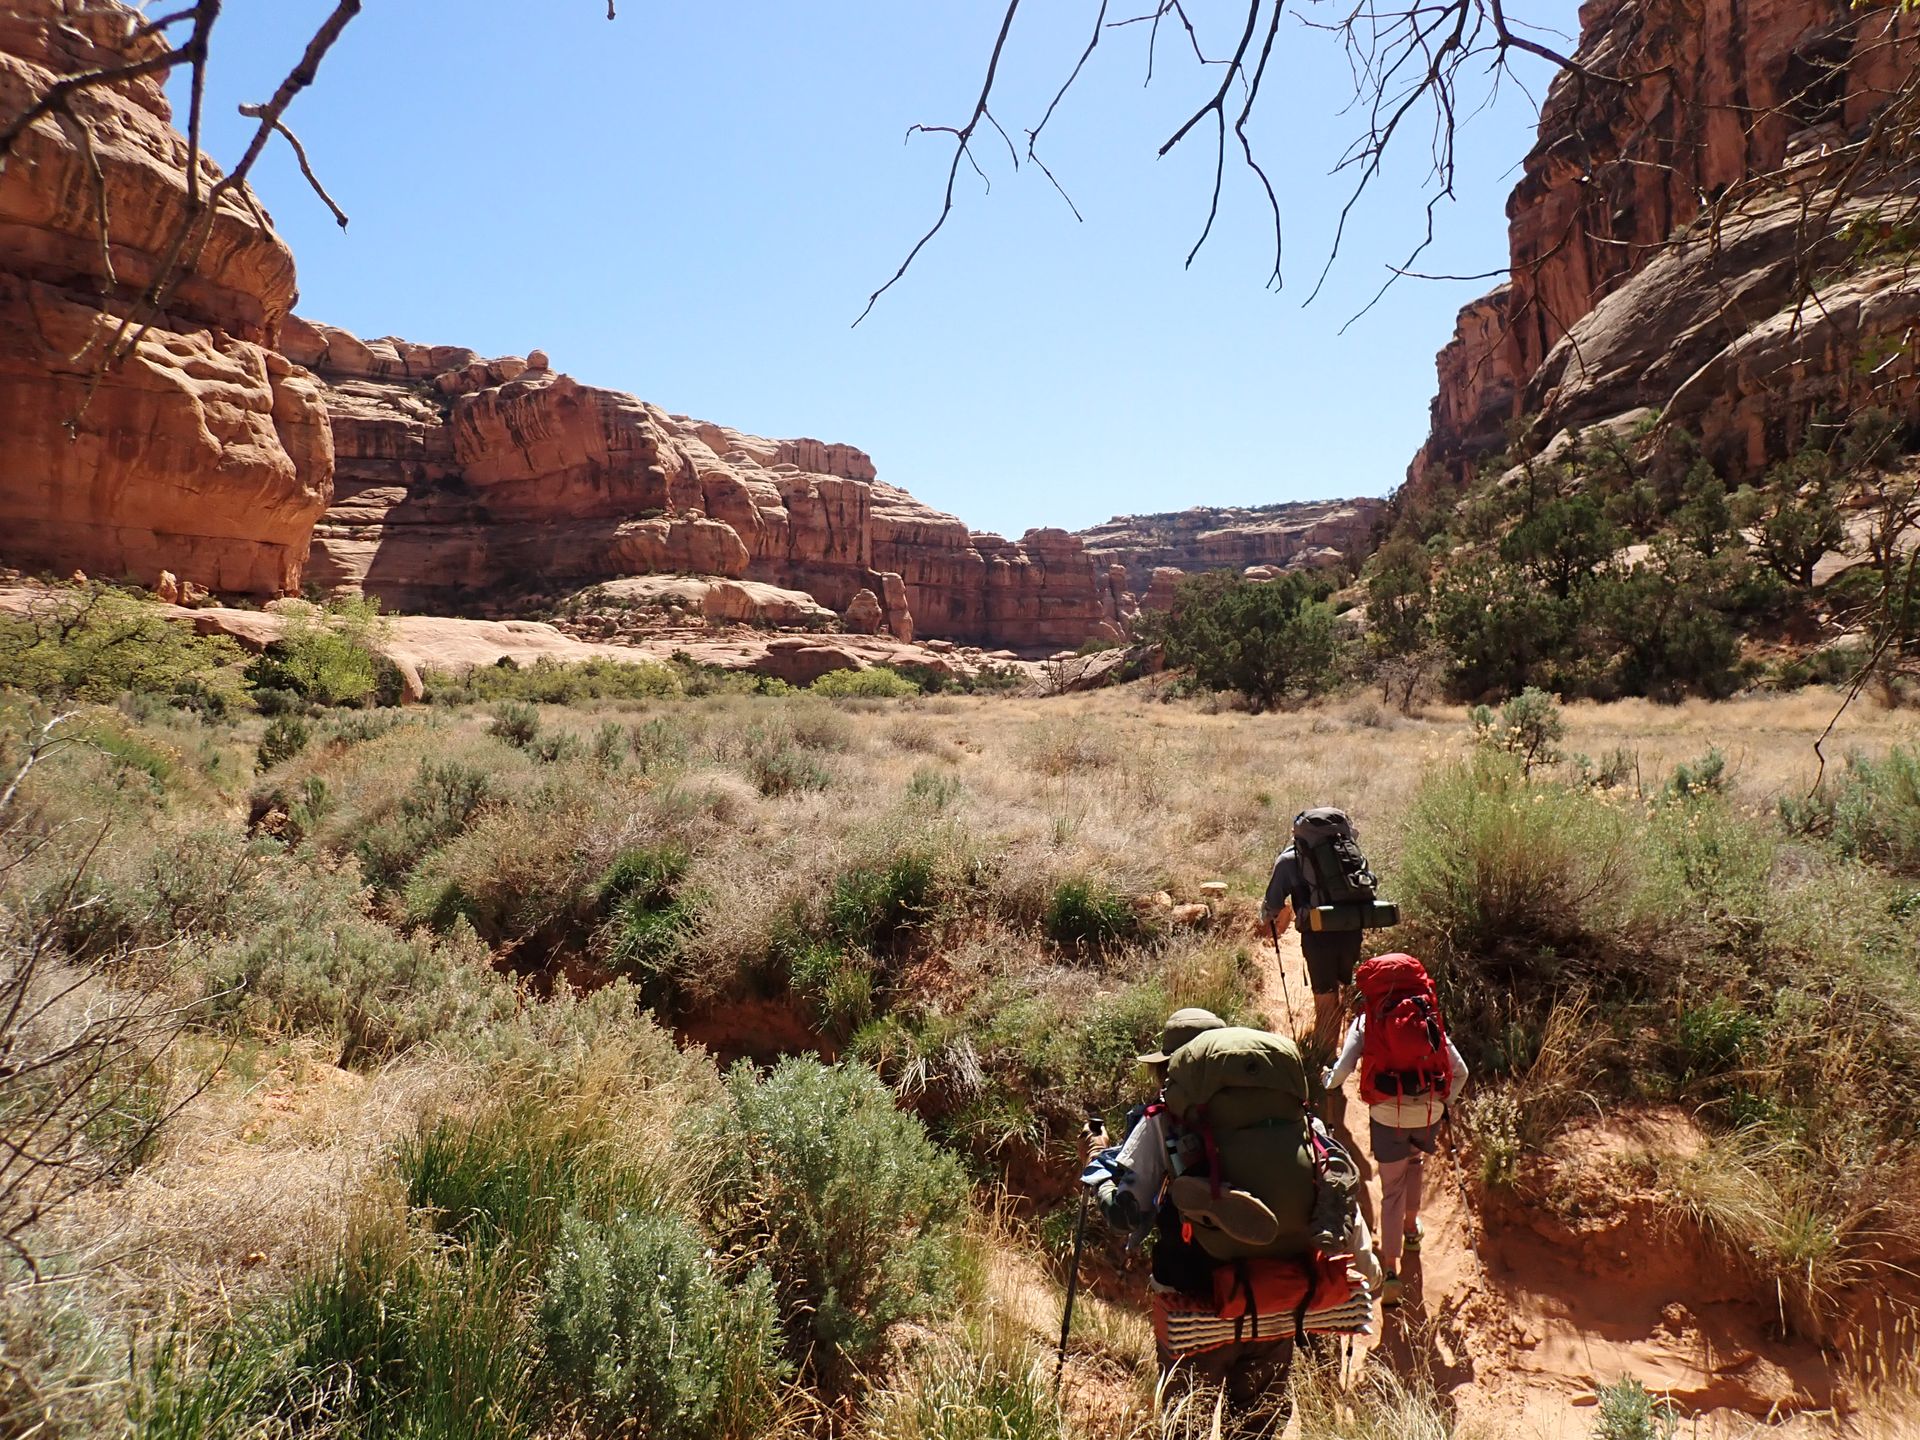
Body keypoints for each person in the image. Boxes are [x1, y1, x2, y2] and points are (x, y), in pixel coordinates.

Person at [1321, 957, 1468, 1309]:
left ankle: (1390, 1270)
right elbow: (1459, 1071)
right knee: (1415, 1164)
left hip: (1388, 1114)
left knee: (1391, 1191)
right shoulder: (1427, 1018)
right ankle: (1412, 1230)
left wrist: (1327, 1082)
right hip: (1429, 1109)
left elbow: (1343, 1069)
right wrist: (1442, 1103)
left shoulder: (1366, 1020)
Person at [1259, 822, 1364, 1051]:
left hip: (1318, 937)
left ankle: (1325, 1060)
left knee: (1325, 997)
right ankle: (1343, 1050)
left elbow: (1273, 904)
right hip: (1352, 930)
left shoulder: (1289, 860)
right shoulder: (1347, 852)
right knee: (1343, 989)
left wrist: (1271, 919)